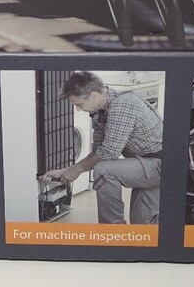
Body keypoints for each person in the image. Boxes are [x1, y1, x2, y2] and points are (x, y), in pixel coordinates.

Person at [42, 72, 163, 224]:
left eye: (79, 104)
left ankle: (112, 231)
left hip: (160, 164)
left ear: (93, 95)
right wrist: (67, 171)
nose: (78, 109)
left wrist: (76, 170)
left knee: (104, 170)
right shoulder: (100, 114)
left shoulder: (123, 104)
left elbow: (109, 152)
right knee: (143, 224)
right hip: (147, 164)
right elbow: (97, 154)